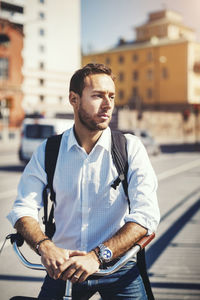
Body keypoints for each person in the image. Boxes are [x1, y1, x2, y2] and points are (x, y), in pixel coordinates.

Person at [7, 63, 160, 300]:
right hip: (63, 268)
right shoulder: (49, 151)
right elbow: (22, 209)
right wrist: (45, 246)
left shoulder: (130, 148)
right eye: (98, 96)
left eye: (111, 96)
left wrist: (97, 257)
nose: (108, 104)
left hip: (118, 268)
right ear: (73, 99)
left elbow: (145, 215)